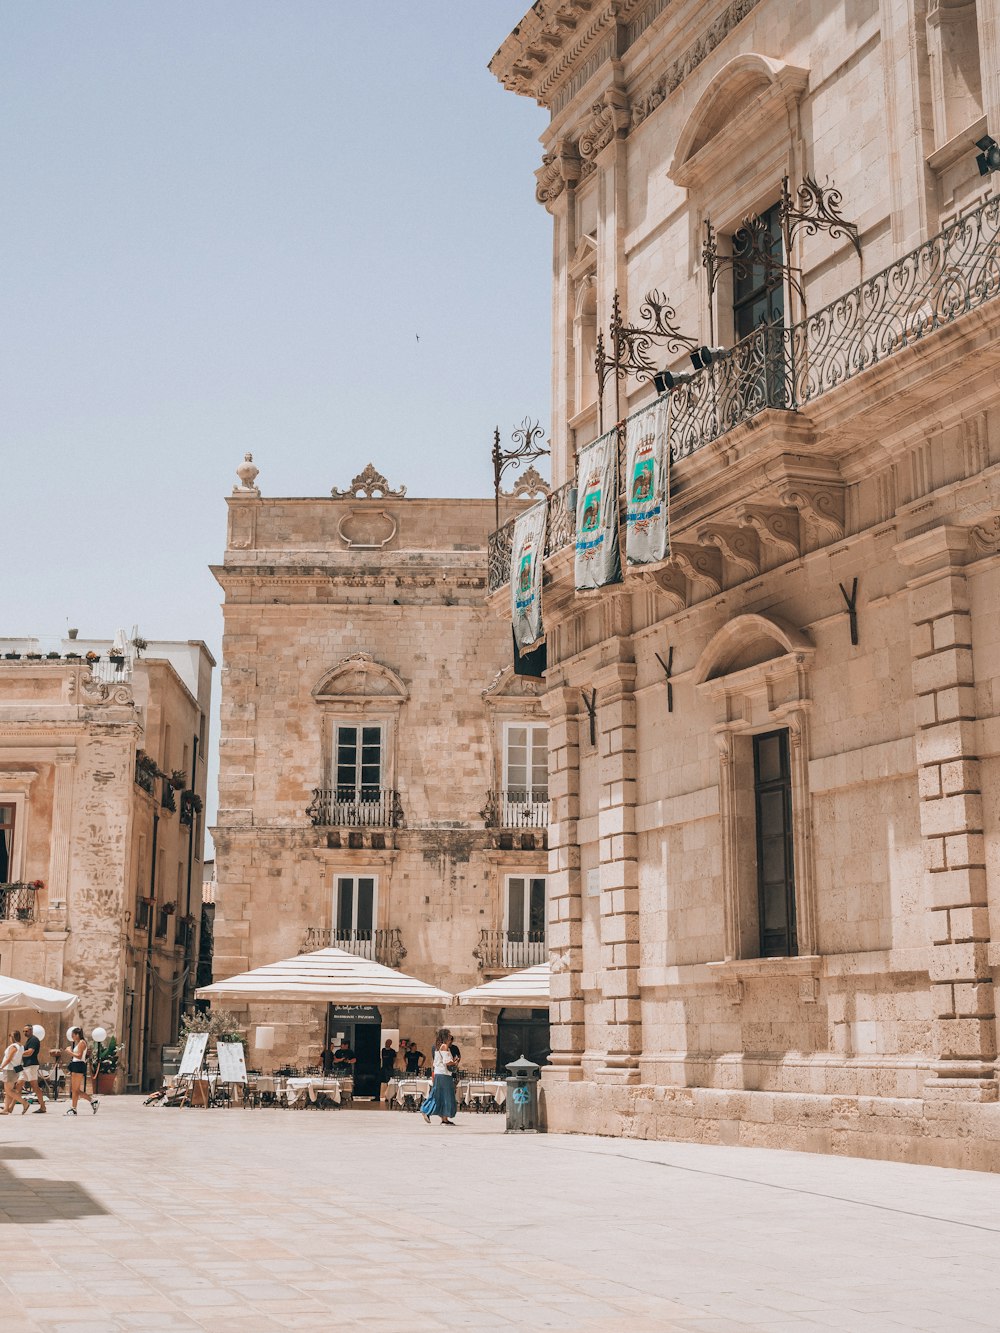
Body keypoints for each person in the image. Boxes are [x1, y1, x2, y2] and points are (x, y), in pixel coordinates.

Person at [55, 1028, 98, 1116]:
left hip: (78, 1065)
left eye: (73, 1035)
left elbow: (79, 1056)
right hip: (76, 1065)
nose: (72, 1037)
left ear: (77, 1035)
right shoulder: (79, 1043)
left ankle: (77, 1107)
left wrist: (69, 1052)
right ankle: (78, 1107)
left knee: (75, 1090)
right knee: (75, 1090)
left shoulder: (82, 1043)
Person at [420, 1028, 457, 1126]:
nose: (450, 1036)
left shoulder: (439, 1047)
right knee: (441, 1094)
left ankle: (444, 1119)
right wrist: (455, 1062)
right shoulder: (444, 1046)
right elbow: (446, 1062)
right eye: (449, 1035)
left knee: (442, 1095)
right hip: (443, 1074)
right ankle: (425, 1110)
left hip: (440, 1073)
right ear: (445, 1036)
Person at [20, 1023, 46, 1114]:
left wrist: (19, 1053)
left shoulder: (34, 1040)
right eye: (23, 1031)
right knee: (18, 1085)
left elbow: (30, 1052)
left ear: (31, 1031)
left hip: (31, 1066)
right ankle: (9, 1107)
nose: (24, 1033)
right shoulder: (29, 1040)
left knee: (35, 1087)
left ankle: (43, 1106)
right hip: (26, 1066)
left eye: (26, 1031)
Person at [0, 1029, 26, 1116]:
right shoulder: (21, 1046)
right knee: (8, 1091)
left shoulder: (14, 1046)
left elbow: (8, 1059)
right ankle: (6, 1109)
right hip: (14, 1070)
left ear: (13, 1037)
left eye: (10, 1036)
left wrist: (1, 1067)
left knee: (9, 1091)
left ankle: (25, 1103)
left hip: (9, 1070)